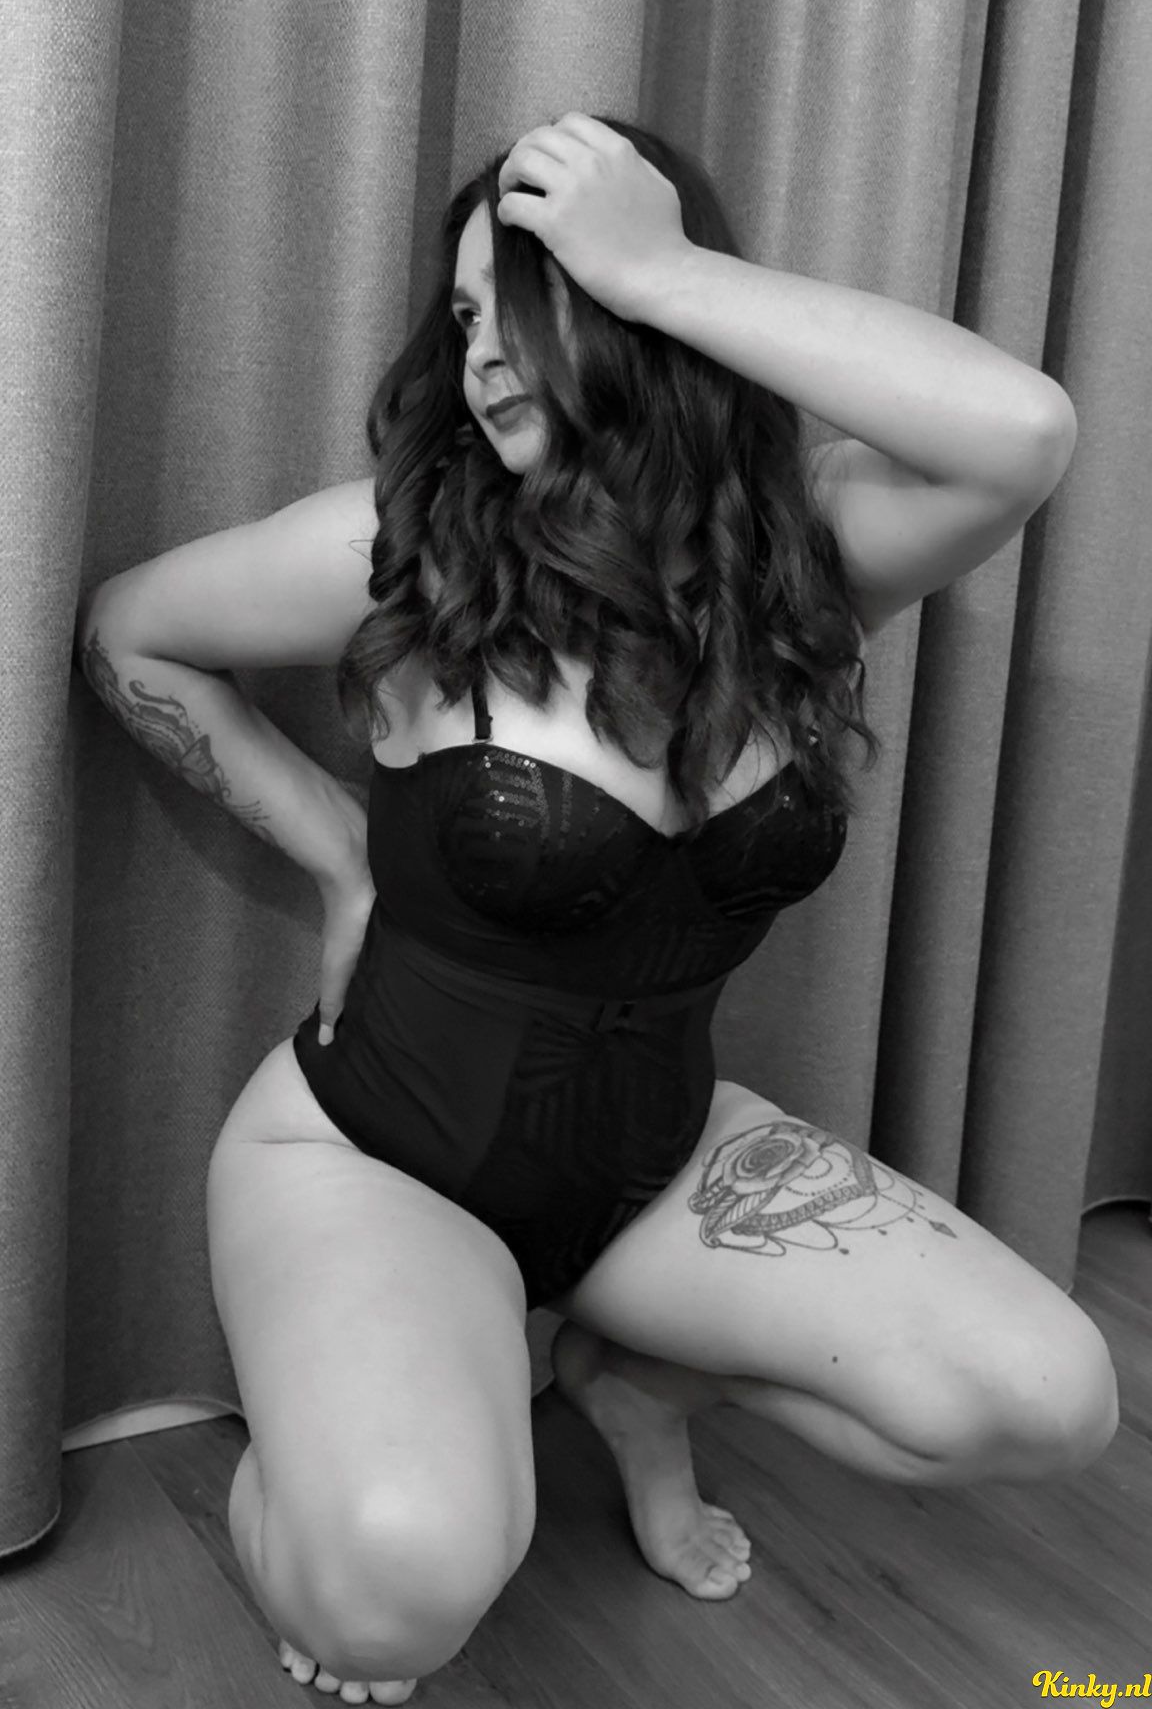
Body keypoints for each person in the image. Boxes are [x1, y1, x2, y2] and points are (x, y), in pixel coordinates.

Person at [76, 113, 1118, 1705]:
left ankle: (627, 1381)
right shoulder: (404, 554)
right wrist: (340, 850)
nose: (483, 353)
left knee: (1050, 1399)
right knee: (396, 1602)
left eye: (526, 304)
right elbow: (130, 631)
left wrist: (662, 267)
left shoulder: (809, 566)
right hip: (375, 1155)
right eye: (465, 317)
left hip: (659, 1162)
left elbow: (1024, 431)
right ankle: (360, 1480)